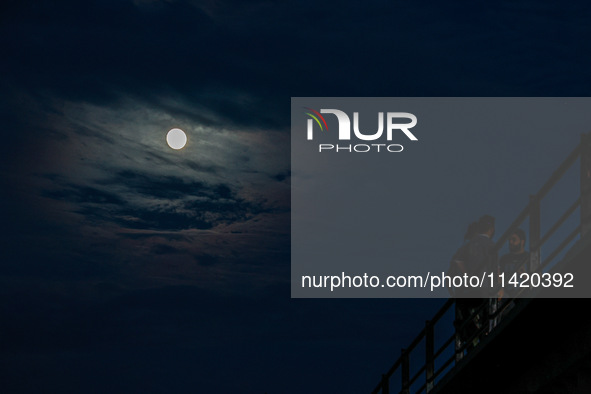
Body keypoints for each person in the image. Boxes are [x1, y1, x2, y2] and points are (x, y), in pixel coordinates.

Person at [451, 215, 498, 360]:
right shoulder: (488, 244)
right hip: (483, 289)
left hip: (468, 291)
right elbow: (495, 268)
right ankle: (483, 338)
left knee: (468, 320)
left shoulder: (466, 247)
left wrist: (467, 277)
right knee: (484, 316)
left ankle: (473, 343)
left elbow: (456, 264)